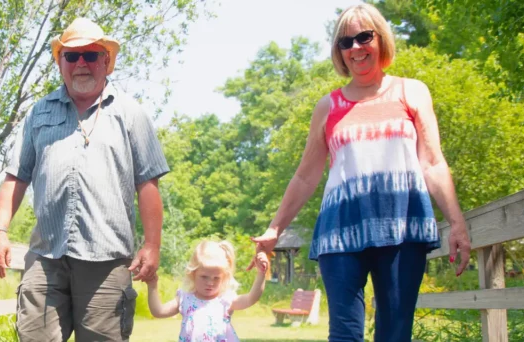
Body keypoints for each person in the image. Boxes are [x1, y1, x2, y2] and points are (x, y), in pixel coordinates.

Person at [247, 4, 473, 342]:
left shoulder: (411, 91)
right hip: (340, 230)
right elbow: (305, 176)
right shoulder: (328, 107)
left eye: (364, 37)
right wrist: (275, 228)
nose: (355, 48)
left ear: (380, 39)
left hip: (402, 226)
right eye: (345, 42)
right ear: (339, 51)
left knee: (395, 334)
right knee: (345, 335)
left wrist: (456, 222)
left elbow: (433, 162)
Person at [0, 17, 170, 342]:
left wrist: (152, 245)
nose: (81, 63)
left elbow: (148, 184)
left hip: (107, 260)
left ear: (106, 61)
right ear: (60, 63)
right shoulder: (38, 114)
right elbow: (16, 177)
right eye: (72, 56)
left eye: (90, 55)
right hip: (46, 256)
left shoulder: (130, 113)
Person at [145, 240, 269, 342]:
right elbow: (159, 311)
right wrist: (152, 286)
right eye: (204, 277)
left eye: (216, 278)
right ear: (192, 274)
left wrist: (261, 273)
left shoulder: (225, 299)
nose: (210, 283)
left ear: (224, 277)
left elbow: (251, 298)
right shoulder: (185, 298)